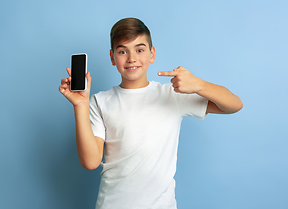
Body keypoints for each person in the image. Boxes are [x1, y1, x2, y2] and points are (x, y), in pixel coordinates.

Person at [59, 18, 243, 209]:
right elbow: (90, 162)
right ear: (113, 58)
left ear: (152, 54)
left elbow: (234, 104)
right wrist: (80, 105)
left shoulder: (172, 95)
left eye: (139, 50)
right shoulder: (100, 101)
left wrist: (199, 85)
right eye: (123, 51)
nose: (132, 58)